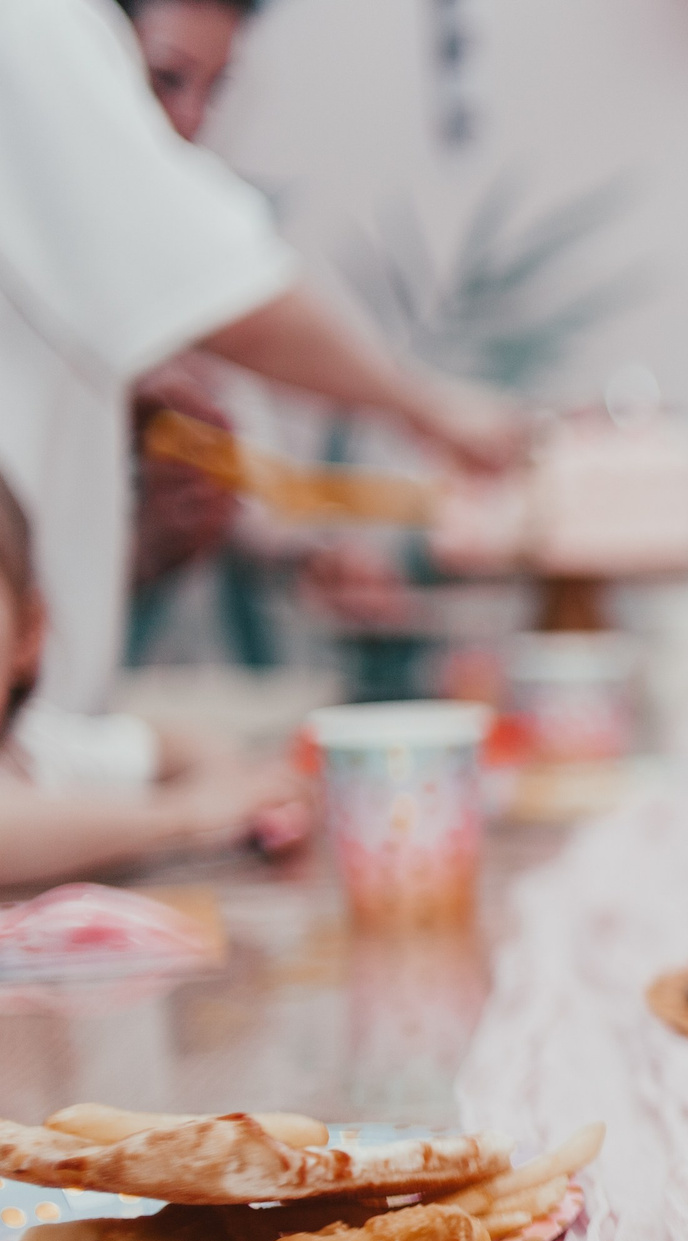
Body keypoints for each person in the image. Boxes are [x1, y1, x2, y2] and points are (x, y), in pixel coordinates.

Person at [0, 0, 523, 730]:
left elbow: (261, 483)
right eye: (162, 79)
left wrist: (307, 554)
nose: (190, 121)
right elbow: (238, 305)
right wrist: (431, 408)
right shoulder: (30, 27)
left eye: (214, 90)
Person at [0, 471, 307, 886]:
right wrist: (184, 816)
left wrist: (236, 792)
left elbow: (175, 745)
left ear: (28, 633)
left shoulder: (33, 748)